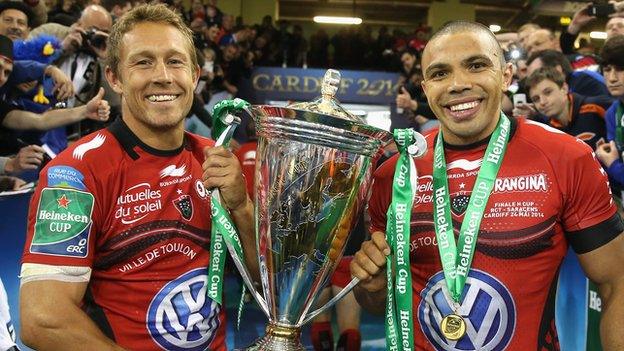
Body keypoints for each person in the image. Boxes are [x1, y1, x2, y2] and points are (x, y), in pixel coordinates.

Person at [350, 20, 624, 350]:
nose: (457, 84)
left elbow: (616, 284)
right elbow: (375, 301)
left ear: (506, 75)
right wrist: (375, 286)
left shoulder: (567, 158)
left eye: (476, 66)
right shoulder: (396, 175)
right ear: (425, 89)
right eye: (440, 74)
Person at [19, 4, 255, 350]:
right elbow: (43, 319)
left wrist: (243, 207)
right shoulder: (75, 174)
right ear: (115, 78)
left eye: (175, 61)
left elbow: (268, 290)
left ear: (194, 75)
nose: (163, 76)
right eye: (143, 62)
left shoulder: (217, 160)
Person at [526, 66, 611, 148]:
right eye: (536, 99)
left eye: (548, 92)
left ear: (564, 88)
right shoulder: (548, 130)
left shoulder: (596, 107)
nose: (542, 102)